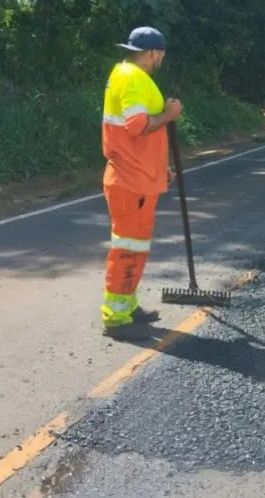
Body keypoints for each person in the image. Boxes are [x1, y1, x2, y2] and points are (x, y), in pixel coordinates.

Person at [99, 26, 183, 339]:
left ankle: (128, 306)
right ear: (152, 53)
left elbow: (136, 134)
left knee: (135, 247)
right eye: (161, 54)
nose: (161, 59)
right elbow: (137, 126)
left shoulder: (124, 73)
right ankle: (116, 319)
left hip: (138, 176)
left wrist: (160, 168)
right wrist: (169, 114)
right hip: (131, 180)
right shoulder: (134, 78)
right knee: (128, 249)